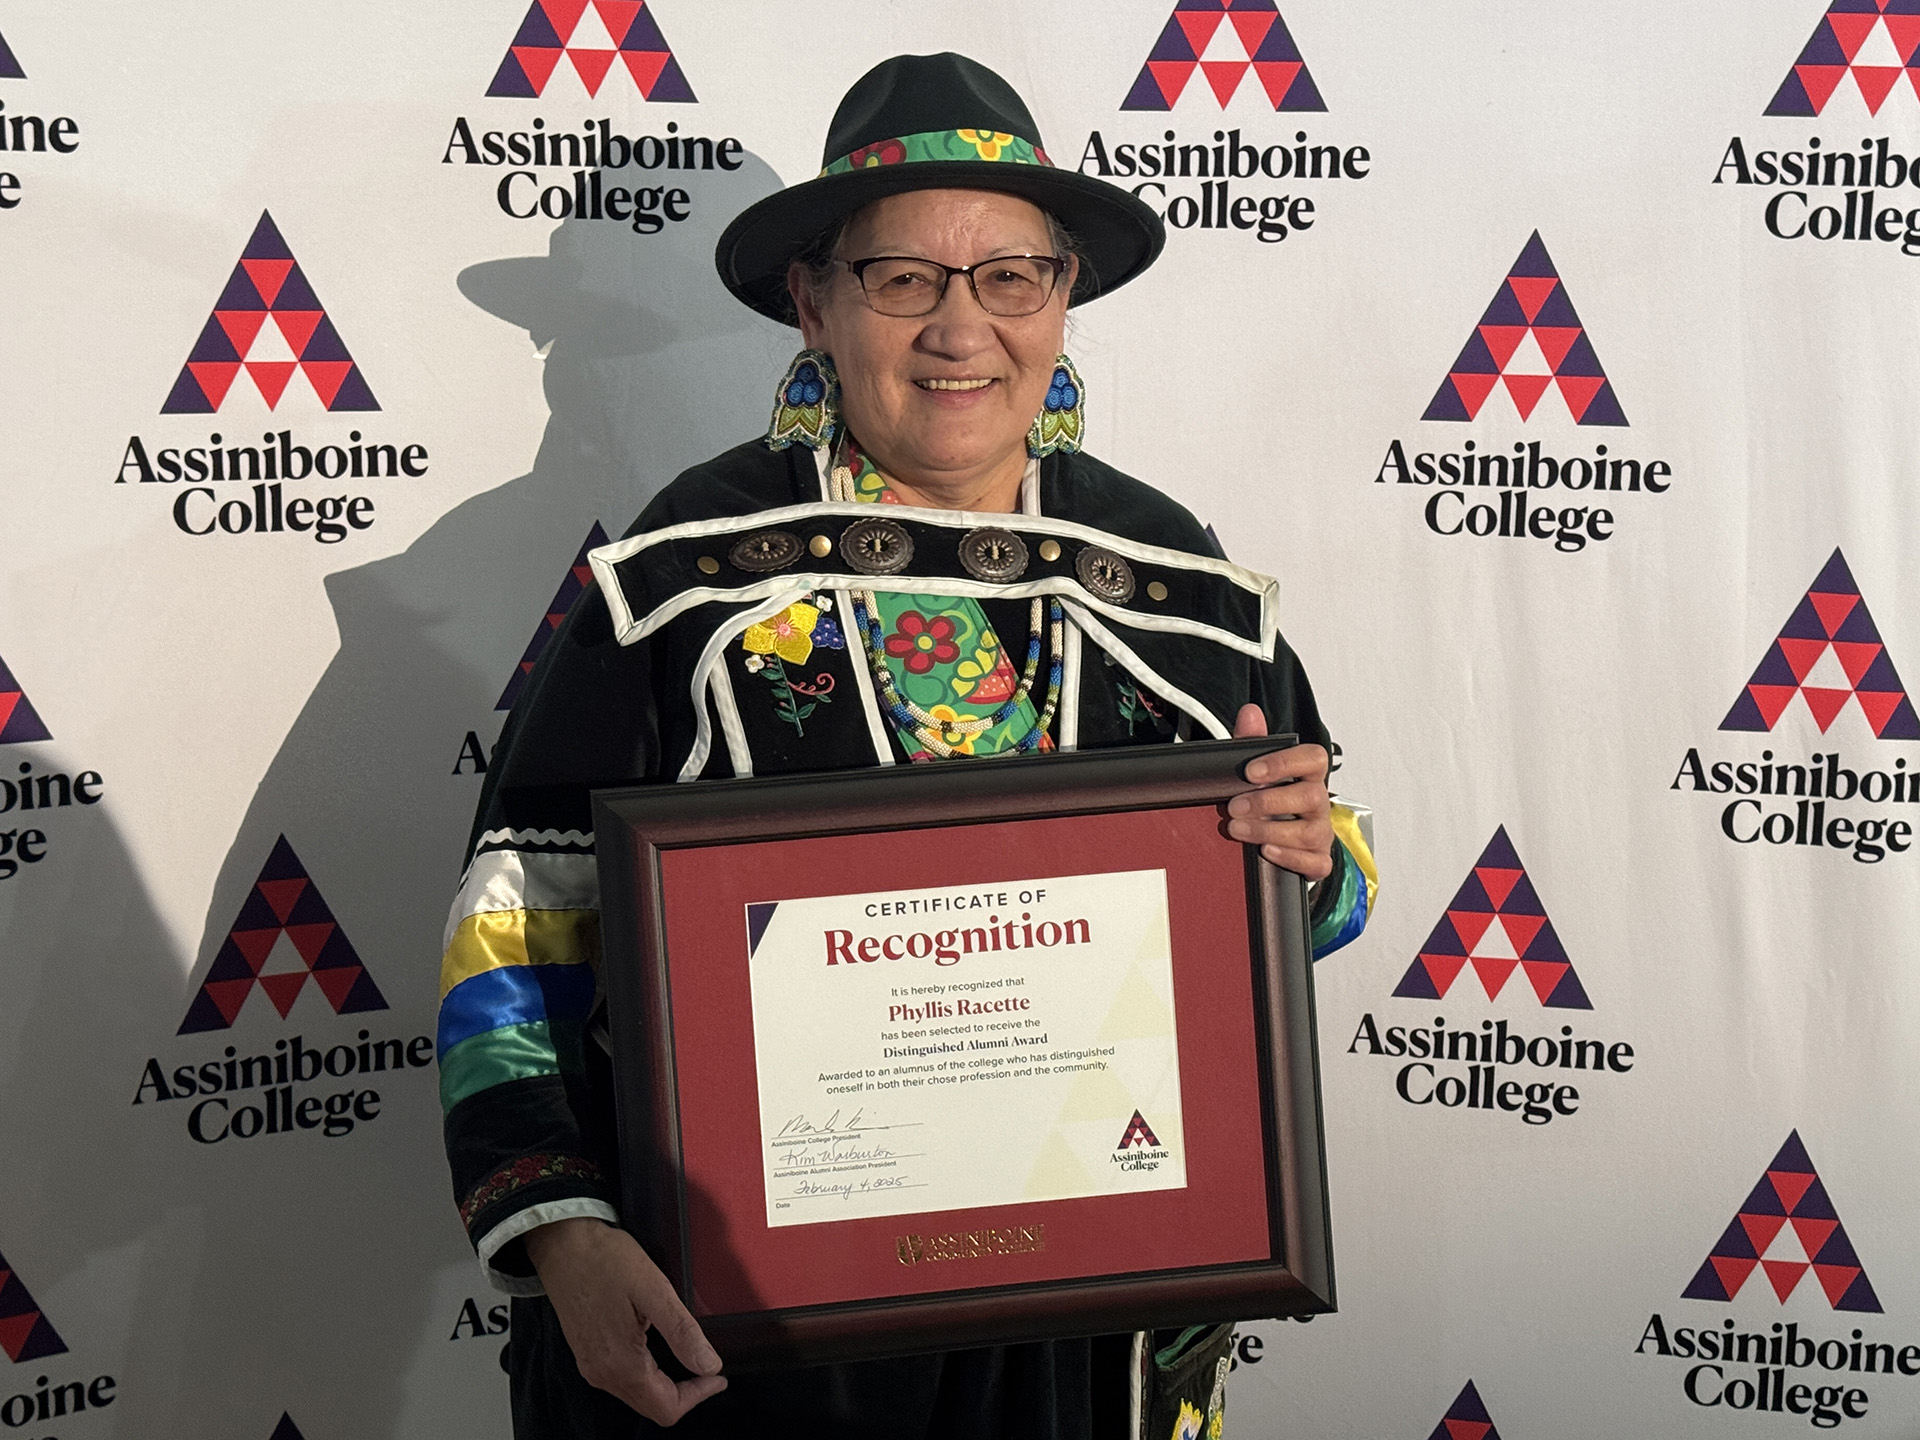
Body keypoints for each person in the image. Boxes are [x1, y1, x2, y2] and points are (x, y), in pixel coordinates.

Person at [437, 52, 1377, 1440]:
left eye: (1012, 277)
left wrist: (1306, 863)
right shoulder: (678, 584)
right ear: (812, 303)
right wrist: (563, 1231)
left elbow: (1321, 884)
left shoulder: (1173, 572)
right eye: (904, 280)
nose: (962, 328)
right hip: (755, 1335)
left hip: (1092, 1322)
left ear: (1063, 302)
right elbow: (517, 923)